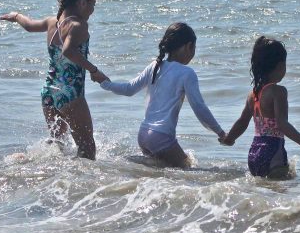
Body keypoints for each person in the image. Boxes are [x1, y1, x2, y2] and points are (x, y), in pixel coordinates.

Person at [0, 0, 105, 160]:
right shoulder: (78, 25)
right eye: (92, 5)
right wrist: (94, 71)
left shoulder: (52, 22)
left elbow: (29, 25)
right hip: (70, 94)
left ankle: (52, 180)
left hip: (49, 93)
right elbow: (68, 51)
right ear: (82, 3)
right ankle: (78, 187)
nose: (92, 11)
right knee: (88, 151)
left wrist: (16, 16)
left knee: (59, 147)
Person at [95, 22, 225, 168]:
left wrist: (105, 83)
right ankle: (124, 162)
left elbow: (129, 89)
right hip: (161, 137)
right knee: (187, 169)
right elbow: (199, 108)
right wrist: (220, 132)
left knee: (160, 173)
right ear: (189, 46)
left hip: (143, 134)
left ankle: (125, 163)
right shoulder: (187, 73)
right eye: (194, 48)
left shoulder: (155, 66)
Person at [219, 36, 300, 178]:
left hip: (254, 154)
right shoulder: (277, 91)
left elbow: (242, 121)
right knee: (279, 195)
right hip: (273, 152)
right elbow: (282, 124)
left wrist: (229, 138)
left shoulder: (252, 95)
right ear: (280, 65)